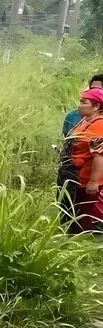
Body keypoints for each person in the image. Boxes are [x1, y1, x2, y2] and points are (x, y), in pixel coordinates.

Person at [63, 88, 103, 234]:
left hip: (85, 180)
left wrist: (93, 182)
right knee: (71, 214)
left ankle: (78, 247)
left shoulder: (99, 125)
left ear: (97, 106)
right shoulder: (86, 121)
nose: (79, 105)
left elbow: (99, 155)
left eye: (83, 102)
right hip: (75, 177)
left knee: (80, 218)